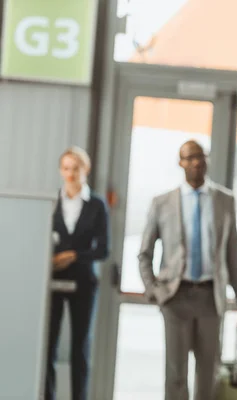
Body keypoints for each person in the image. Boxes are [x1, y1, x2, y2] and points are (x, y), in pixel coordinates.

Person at [138, 140, 237, 400]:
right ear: (181, 163)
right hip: (175, 297)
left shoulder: (225, 200)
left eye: (200, 156)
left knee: (209, 373)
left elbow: (232, 256)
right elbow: (144, 254)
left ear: (207, 159)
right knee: (176, 375)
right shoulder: (162, 203)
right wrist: (155, 291)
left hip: (210, 298)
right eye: (189, 158)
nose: (196, 162)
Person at [46, 146, 109, 400]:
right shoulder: (52, 201)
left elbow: (103, 249)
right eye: (66, 168)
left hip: (83, 282)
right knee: (48, 344)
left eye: (76, 168)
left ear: (86, 170)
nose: (70, 174)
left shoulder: (96, 205)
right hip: (53, 281)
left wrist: (72, 256)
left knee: (80, 347)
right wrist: (53, 260)